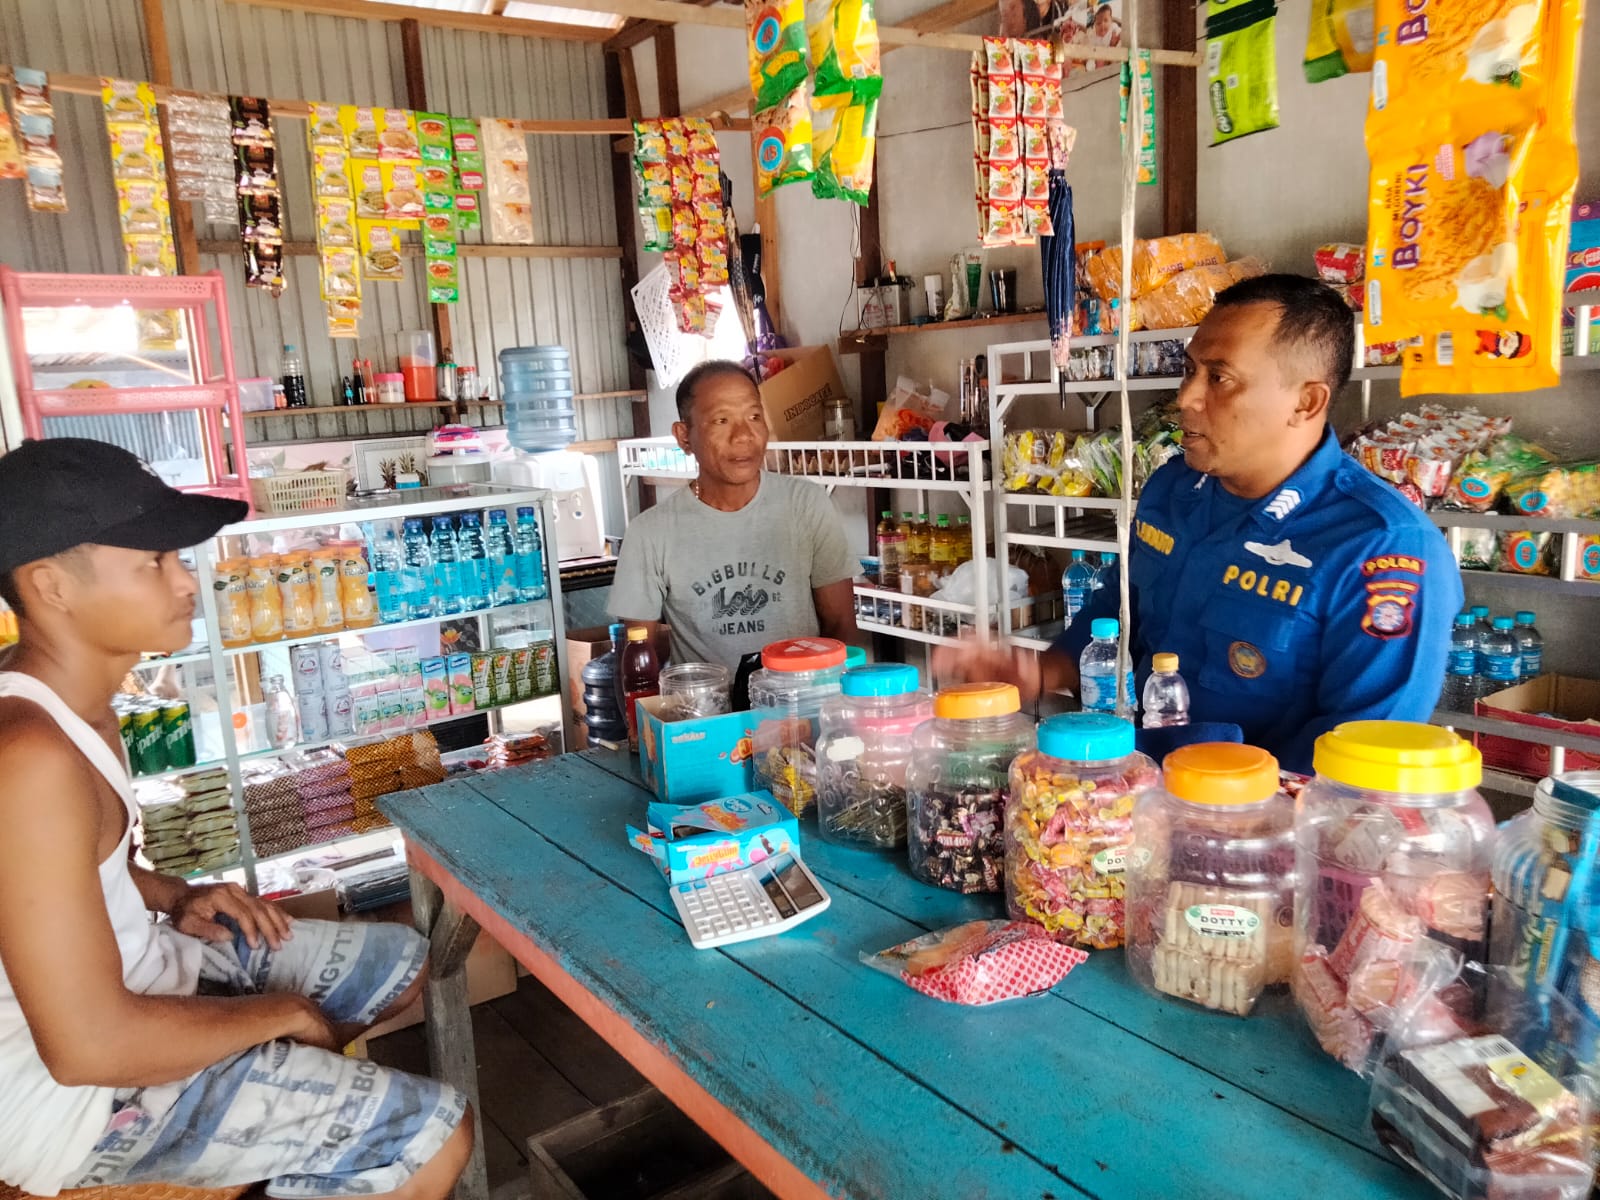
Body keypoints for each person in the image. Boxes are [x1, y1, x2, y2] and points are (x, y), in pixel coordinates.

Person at [0, 439, 473, 1199]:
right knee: (435, 1136)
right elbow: (87, 1046)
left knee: (403, 965)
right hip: (70, 1104)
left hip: (144, 975)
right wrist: (276, 1014)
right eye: (153, 561)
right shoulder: (28, 760)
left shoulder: (75, 705)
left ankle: (282, 1140)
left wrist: (176, 896)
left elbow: (97, 870)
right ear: (51, 585)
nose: (186, 580)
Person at [935, 274, 1462, 773]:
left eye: (1219, 378)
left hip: (1260, 836)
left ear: (1306, 401)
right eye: (1190, 370)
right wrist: (1036, 674)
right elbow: (1121, 609)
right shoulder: (1174, 490)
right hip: (1137, 790)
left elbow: (1364, 756)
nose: (1186, 398)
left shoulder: (1380, 547)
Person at [609, 360, 859, 675]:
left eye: (755, 416)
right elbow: (638, 656)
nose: (743, 435)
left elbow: (841, 626)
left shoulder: (806, 504)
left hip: (799, 707)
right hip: (708, 718)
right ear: (684, 436)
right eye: (722, 420)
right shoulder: (651, 533)